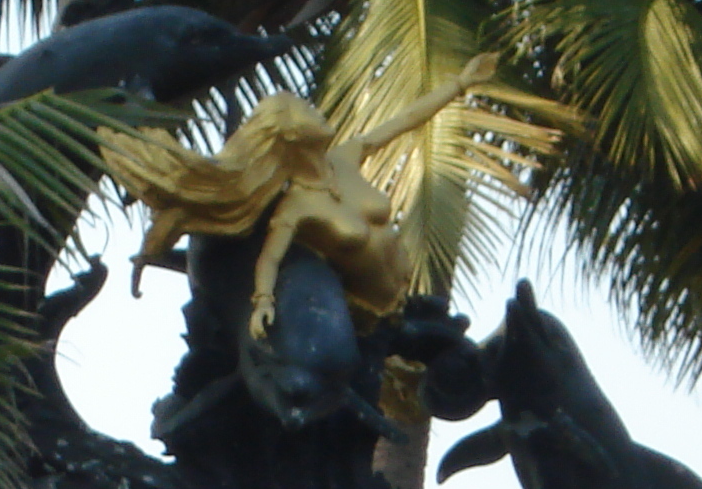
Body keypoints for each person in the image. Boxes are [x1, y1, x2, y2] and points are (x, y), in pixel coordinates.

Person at [100, 54, 500, 332]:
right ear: (290, 135)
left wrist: (459, 83)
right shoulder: (296, 206)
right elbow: (270, 260)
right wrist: (263, 305)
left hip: (412, 298)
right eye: (306, 111)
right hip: (370, 319)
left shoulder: (346, 157)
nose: (317, 112)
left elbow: (405, 120)